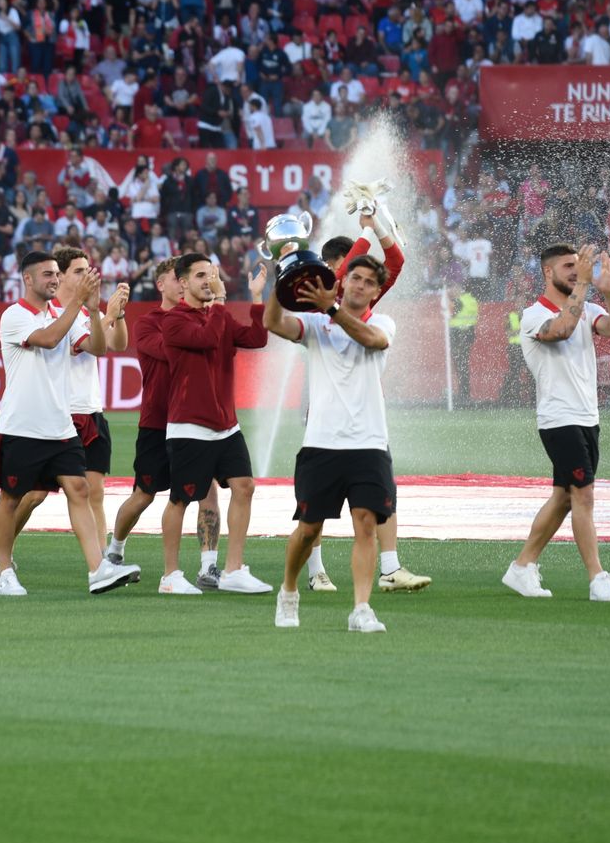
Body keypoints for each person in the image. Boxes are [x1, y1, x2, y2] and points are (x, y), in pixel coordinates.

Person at [0, 252, 139, 596]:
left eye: (56, 274)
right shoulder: (14, 315)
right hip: (22, 424)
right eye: (47, 275)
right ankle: (5, 570)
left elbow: (99, 348)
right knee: (12, 498)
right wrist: (80, 306)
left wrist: (100, 312)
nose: (54, 280)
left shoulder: (64, 313)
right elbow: (49, 339)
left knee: (80, 489)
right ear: (28, 279)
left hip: (60, 424)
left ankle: (98, 569)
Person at [262, 252, 396, 633]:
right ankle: (288, 591)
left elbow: (374, 340)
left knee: (366, 524)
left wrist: (333, 308)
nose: (361, 286)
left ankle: (361, 608)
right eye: (355, 278)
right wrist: (279, 278)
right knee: (309, 528)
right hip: (321, 442)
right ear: (343, 280)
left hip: (370, 441)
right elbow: (271, 321)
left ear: (375, 291)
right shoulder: (315, 322)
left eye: (369, 282)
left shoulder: (381, 321)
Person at [311, 200, 429, 593]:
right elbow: (345, 275)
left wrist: (377, 223)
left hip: (367, 412)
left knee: (382, 491)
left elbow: (395, 262)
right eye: (349, 270)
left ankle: (390, 567)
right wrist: (366, 229)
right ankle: (314, 570)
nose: (357, 280)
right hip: (328, 409)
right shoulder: (320, 299)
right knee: (316, 507)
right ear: (335, 270)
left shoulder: (367, 305)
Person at [504, 245, 610, 603]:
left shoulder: (588, 306)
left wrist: (607, 291)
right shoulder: (531, 315)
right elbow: (560, 330)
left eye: (579, 267)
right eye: (568, 267)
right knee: (583, 494)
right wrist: (586, 287)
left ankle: (522, 567)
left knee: (564, 497)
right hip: (558, 418)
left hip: (587, 416)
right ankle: (597, 578)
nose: (576, 272)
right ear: (548, 272)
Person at [155, 252, 271, 595]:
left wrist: (255, 298)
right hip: (190, 426)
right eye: (201, 275)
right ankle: (170, 576)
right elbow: (206, 338)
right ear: (183, 282)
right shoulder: (174, 321)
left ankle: (234, 570)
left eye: (214, 274)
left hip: (226, 426)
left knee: (244, 487)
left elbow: (257, 339)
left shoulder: (216, 317)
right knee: (180, 499)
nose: (209, 280)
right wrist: (220, 301)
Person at [105, 259, 223, 576]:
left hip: (197, 420)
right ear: (161, 285)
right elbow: (173, 352)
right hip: (158, 422)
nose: (184, 285)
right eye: (177, 279)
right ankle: (114, 549)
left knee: (208, 488)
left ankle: (209, 566)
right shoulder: (148, 323)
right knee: (144, 494)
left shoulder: (202, 318)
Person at [51, 247, 130, 543]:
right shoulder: (54, 314)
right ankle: (3, 549)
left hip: (90, 409)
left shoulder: (87, 312)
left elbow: (117, 345)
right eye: (79, 271)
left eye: (88, 269)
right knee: (33, 494)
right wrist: (107, 315)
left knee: (95, 492)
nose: (87, 275)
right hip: (60, 412)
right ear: (61, 276)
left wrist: (118, 314)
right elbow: (84, 344)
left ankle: (103, 560)